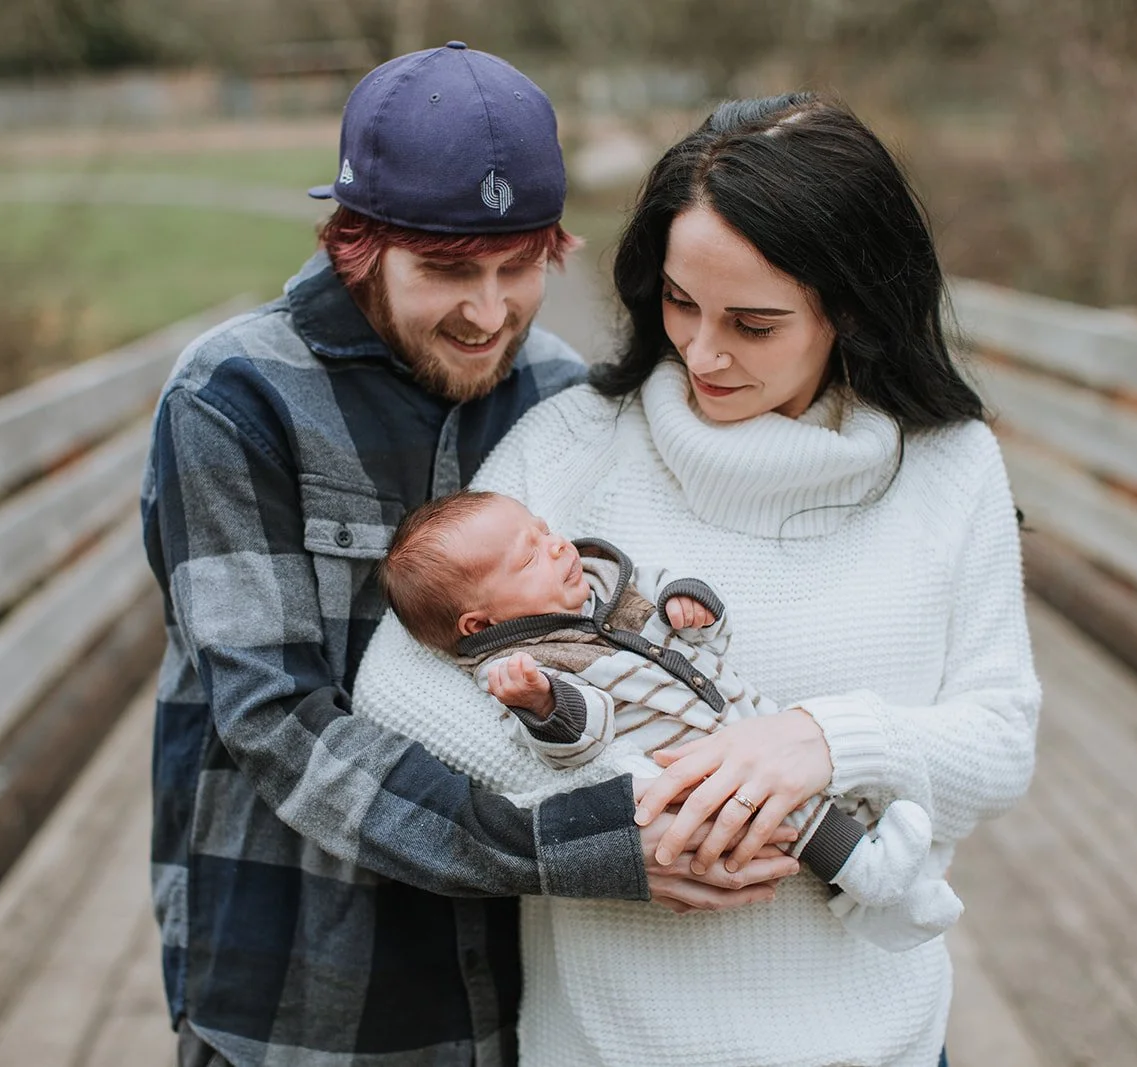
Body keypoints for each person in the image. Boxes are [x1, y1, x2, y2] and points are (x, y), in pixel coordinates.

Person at [139, 44, 798, 1067]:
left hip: (526, 977)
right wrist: (573, 842)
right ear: (356, 245)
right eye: (447, 270)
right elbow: (274, 720)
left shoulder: (557, 393)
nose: (489, 313)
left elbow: (614, 630)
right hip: (306, 983)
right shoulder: (233, 398)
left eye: (518, 268)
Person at [353, 92, 1041, 1066]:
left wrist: (823, 742)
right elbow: (397, 682)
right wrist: (623, 814)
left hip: (875, 1041)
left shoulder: (950, 464)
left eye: (752, 323)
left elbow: (1001, 738)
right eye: (679, 302)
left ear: (848, 306)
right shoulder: (572, 441)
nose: (702, 351)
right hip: (609, 1043)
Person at [377, 488, 965, 950]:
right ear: (479, 625)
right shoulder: (522, 668)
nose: (557, 545)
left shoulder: (607, 587)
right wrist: (541, 704)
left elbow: (704, 638)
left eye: (544, 529)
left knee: (813, 783)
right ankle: (871, 877)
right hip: (695, 765)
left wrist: (692, 605)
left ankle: (880, 902)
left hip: (742, 714)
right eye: (529, 555)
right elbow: (584, 738)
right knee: (790, 816)